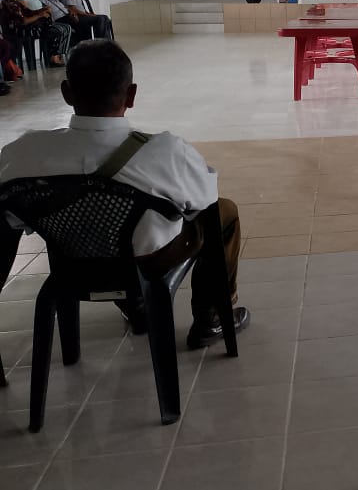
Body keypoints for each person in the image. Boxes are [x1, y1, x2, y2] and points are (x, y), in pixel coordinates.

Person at [0, 40, 249, 348]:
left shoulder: (21, 154)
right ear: (131, 95)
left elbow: (8, 217)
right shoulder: (164, 151)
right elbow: (205, 199)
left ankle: (137, 307)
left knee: (94, 223)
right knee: (224, 212)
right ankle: (211, 318)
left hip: (71, 262)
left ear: (66, 92)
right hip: (147, 262)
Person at [1, 0, 71, 68]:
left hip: (23, 28)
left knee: (53, 30)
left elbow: (29, 12)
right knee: (53, 32)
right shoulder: (10, 4)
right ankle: (53, 57)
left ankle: (54, 56)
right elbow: (24, 21)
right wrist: (40, 15)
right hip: (18, 31)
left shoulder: (15, 2)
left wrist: (42, 10)